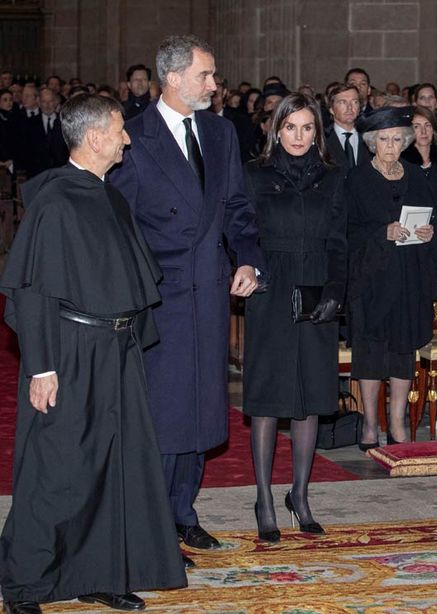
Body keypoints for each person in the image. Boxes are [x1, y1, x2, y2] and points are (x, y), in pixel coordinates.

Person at [0, 94, 187, 614]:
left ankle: (97, 573)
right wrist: (42, 366)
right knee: (56, 470)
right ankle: (25, 584)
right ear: (95, 137)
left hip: (117, 350)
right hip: (70, 351)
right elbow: (31, 291)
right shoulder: (56, 201)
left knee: (112, 465)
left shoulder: (107, 195)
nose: (127, 138)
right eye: (120, 129)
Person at [109, 34, 266, 567]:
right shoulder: (133, 138)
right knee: (164, 413)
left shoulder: (221, 133)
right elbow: (119, 227)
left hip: (210, 291)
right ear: (172, 78)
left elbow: (239, 208)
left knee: (201, 411)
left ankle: (183, 513)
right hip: (161, 299)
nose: (215, 84)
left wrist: (247, 259)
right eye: (206, 75)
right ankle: (152, 524)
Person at [242, 93, 346, 543]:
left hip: (318, 287)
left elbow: (343, 241)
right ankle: (264, 498)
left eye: (307, 128)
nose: (299, 137)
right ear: (276, 130)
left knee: (311, 396)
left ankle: (299, 495)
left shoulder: (334, 178)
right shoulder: (254, 174)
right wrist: (249, 269)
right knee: (268, 397)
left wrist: (337, 293)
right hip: (271, 288)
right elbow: (241, 232)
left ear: (317, 132)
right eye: (291, 127)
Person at [346, 106, 437, 447]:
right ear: (372, 143)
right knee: (371, 354)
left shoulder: (417, 177)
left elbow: (435, 219)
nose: (391, 146)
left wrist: (430, 233)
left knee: (403, 353)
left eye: (397, 139)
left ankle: (398, 424)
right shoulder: (356, 180)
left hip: (409, 277)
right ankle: (371, 424)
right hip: (371, 279)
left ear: (406, 141)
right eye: (384, 139)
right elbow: (345, 232)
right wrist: (381, 233)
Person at [324, 83, 371, 175]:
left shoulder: (370, 137)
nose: (350, 107)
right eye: (343, 102)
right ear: (331, 109)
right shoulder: (322, 139)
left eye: (355, 102)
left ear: (359, 108)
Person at [401, 105, 437, 175]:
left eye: (427, 125)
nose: (423, 131)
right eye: (417, 127)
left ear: (433, 129)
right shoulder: (402, 161)